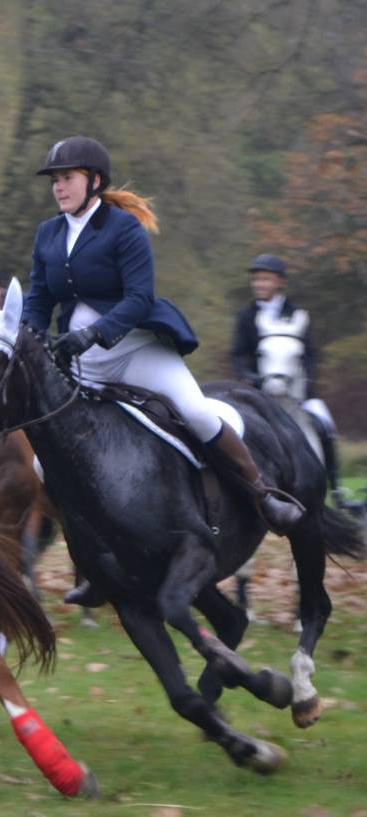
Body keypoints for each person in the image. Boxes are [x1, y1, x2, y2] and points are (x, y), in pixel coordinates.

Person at [23, 136, 303, 590]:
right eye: (54, 180)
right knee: (44, 466)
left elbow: (139, 298)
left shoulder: (123, 228)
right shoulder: (48, 234)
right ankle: (97, 555)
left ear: (94, 181)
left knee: (196, 412)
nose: (58, 187)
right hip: (82, 360)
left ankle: (262, 497)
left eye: (67, 178)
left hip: (135, 350)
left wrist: (96, 332)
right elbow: (38, 299)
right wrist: (33, 338)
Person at [232, 253, 342, 495]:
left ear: (280, 282)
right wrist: (249, 375)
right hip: (259, 389)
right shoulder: (246, 315)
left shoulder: (297, 313)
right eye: (256, 280)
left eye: (265, 279)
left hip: (297, 390)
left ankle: (336, 488)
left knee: (325, 426)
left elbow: (309, 353)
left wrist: (308, 382)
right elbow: (238, 354)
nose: (259, 284)